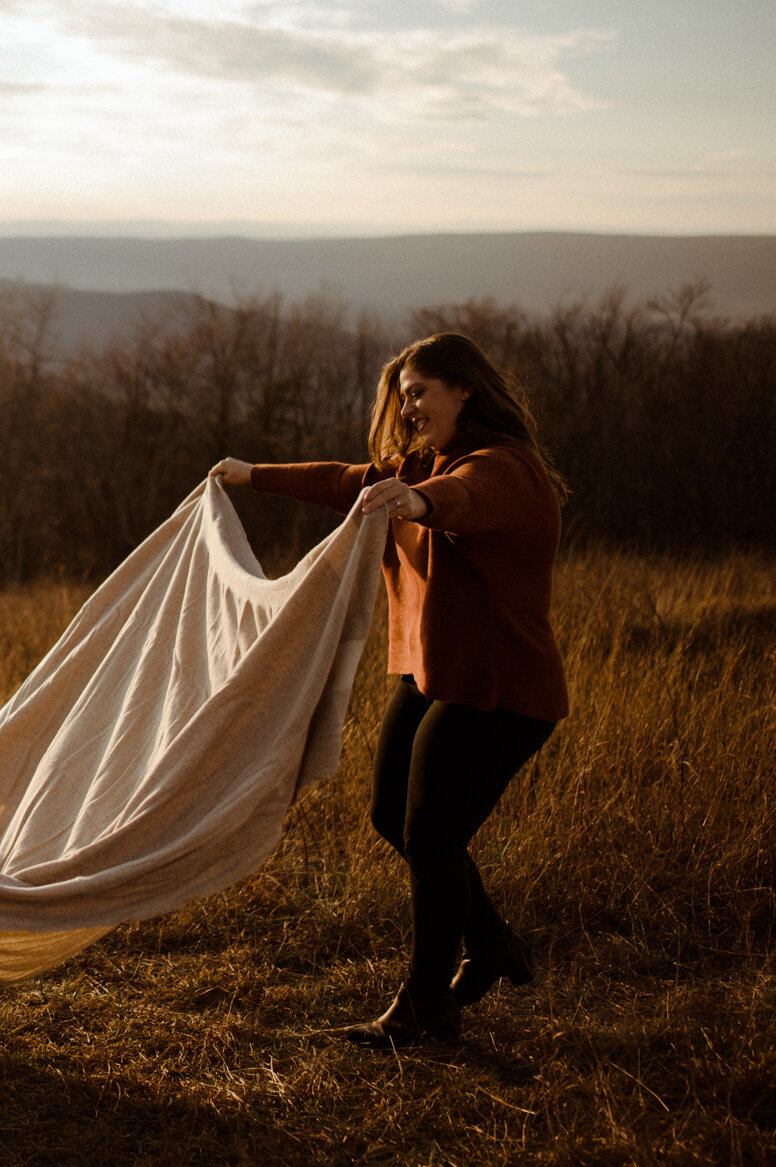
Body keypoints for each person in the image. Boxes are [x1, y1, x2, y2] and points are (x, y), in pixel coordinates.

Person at [211, 331, 567, 1048]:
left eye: (420, 392)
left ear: (464, 388)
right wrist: (252, 474)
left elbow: (459, 500)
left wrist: (416, 500)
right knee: (390, 815)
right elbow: (351, 480)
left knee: (432, 834)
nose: (407, 408)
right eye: (402, 396)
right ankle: (492, 943)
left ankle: (425, 1009)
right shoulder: (420, 461)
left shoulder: (504, 468)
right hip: (437, 674)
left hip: (499, 688)